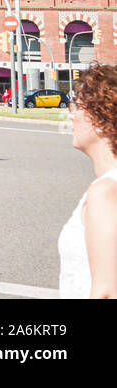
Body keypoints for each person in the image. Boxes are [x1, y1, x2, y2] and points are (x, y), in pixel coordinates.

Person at [59, 63, 117, 298]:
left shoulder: (105, 192)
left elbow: (106, 291)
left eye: (78, 106)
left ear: (102, 120)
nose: (71, 114)